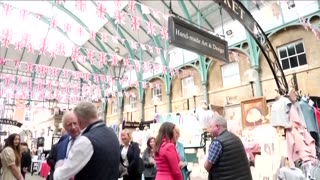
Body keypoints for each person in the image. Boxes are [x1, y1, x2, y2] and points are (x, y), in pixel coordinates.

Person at [54, 102, 120, 180]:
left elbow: (61, 176)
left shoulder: (86, 140)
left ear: (79, 119)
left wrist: (58, 166)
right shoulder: (112, 134)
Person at [204, 112, 253, 180]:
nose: (209, 130)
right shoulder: (236, 138)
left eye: (210, 127)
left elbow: (207, 166)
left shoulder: (217, 143)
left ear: (217, 126)